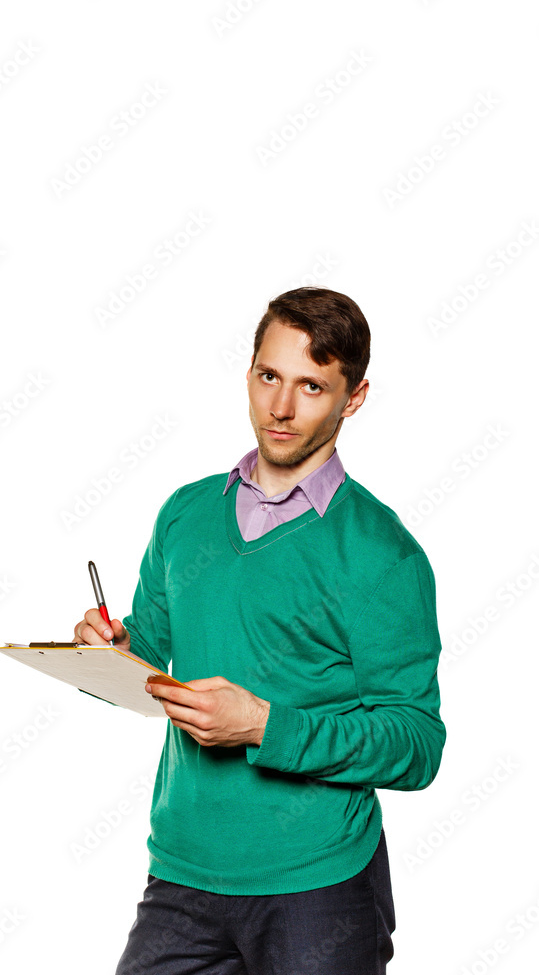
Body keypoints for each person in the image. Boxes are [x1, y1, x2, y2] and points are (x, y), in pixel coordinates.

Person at [73, 287, 447, 974]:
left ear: (354, 398)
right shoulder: (185, 514)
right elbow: (149, 653)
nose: (280, 407)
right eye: (269, 376)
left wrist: (263, 728)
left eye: (312, 386)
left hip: (319, 883)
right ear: (248, 372)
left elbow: (417, 746)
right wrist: (111, 652)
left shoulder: (381, 555)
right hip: (182, 872)